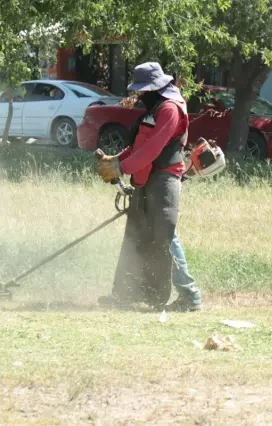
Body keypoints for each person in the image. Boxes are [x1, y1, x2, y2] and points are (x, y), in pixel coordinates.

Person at [95, 62, 202, 312]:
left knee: (165, 237)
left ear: (158, 87)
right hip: (145, 179)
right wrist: (117, 160)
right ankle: (127, 294)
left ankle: (189, 294)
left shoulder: (170, 109)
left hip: (164, 181)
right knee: (136, 237)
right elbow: (139, 144)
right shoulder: (154, 108)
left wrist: (122, 168)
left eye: (144, 90)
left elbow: (153, 149)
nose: (141, 94)